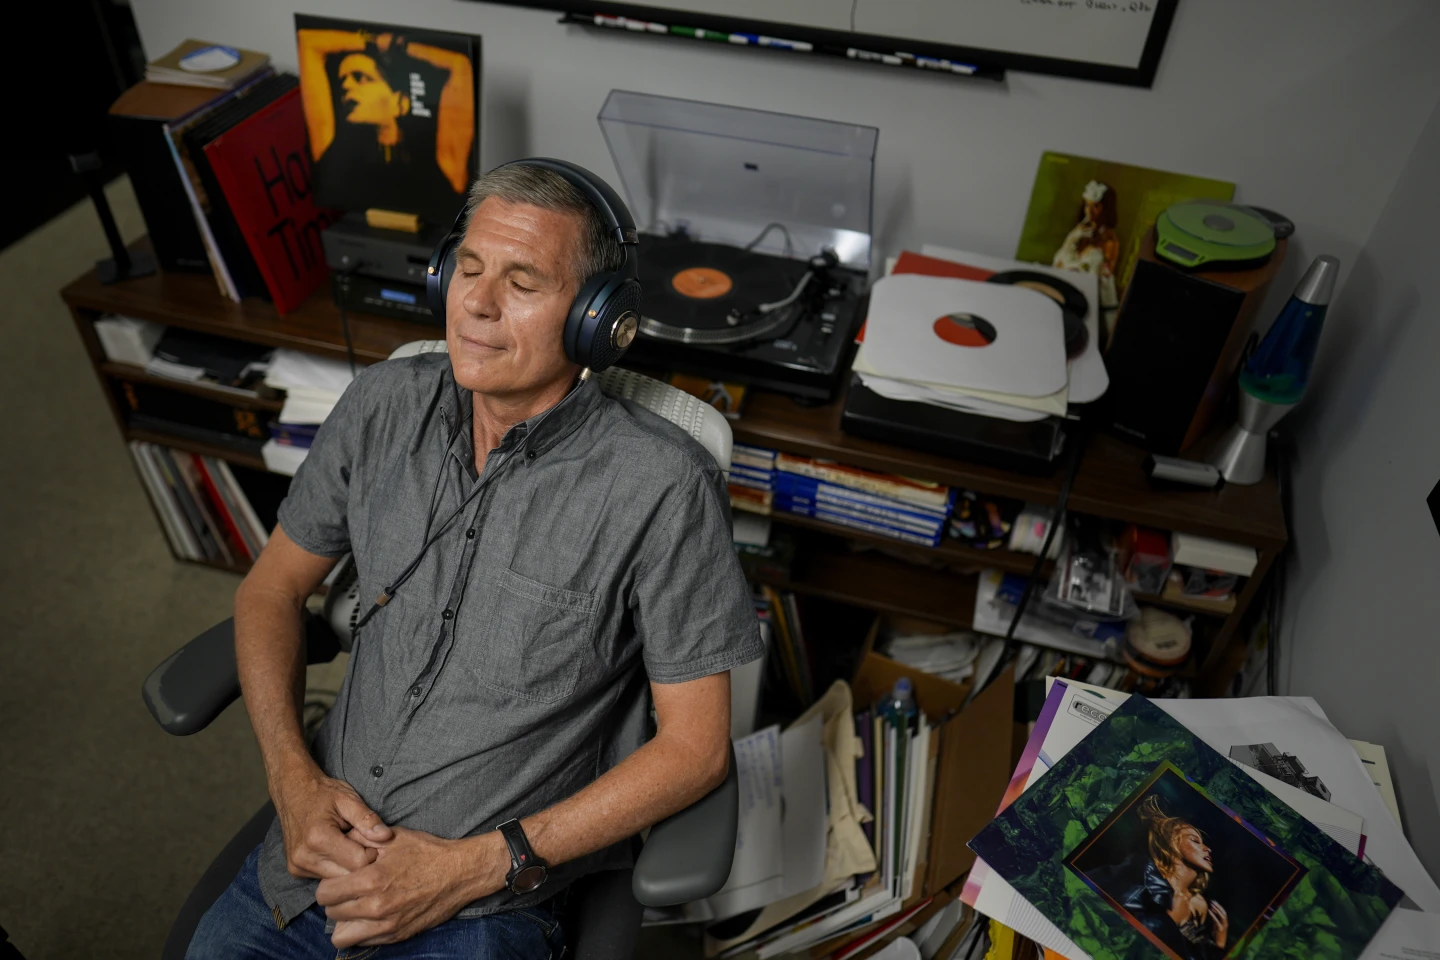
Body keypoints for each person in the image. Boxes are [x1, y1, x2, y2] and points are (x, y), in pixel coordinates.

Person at [186, 162, 761, 957]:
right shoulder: (382, 406)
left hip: (485, 904)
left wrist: (474, 866)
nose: (478, 305)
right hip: (311, 858)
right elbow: (270, 591)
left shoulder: (661, 487)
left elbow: (695, 750)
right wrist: (292, 779)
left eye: (522, 282)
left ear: (597, 319)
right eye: (469, 269)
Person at [297, 27, 474, 218]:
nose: (346, 87)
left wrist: (399, 45)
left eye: (361, 78)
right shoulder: (330, 150)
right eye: (343, 81)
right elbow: (308, 42)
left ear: (400, 103)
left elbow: (460, 64)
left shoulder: (441, 162)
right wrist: (371, 41)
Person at [1116, 796, 1230, 960]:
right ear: (1171, 845)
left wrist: (1219, 944)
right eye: (1194, 840)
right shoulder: (1144, 888)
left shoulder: (1198, 904)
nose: (1207, 849)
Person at [1052, 179, 1121, 334]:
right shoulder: (1080, 232)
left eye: (1095, 206)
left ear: (1106, 209)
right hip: (1066, 296)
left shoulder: (1110, 241)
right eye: (1087, 205)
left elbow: (1103, 278)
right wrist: (1071, 240)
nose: (1089, 211)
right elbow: (1058, 262)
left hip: (1090, 304)